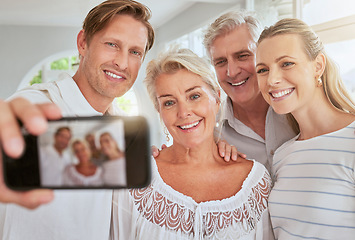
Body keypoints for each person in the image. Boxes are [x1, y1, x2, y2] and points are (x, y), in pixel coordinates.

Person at [0, 0, 155, 239]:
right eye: (112, 44)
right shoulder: (36, 105)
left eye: (135, 52)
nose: (123, 63)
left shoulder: (123, 132)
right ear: (83, 43)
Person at [111, 47, 274, 239]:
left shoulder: (256, 182)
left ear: (216, 99)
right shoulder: (135, 179)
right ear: (160, 112)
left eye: (194, 96)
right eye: (169, 102)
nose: (183, 112)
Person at [255, 18, 355, 239]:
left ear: (318, 65)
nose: (272, 79)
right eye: (262, 70)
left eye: (286, 63)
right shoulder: (282, 155)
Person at [203, 11, 296, 171]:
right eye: (221, 62)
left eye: (242, 56)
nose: (231, 72)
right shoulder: (210, 132)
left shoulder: (296, 109)